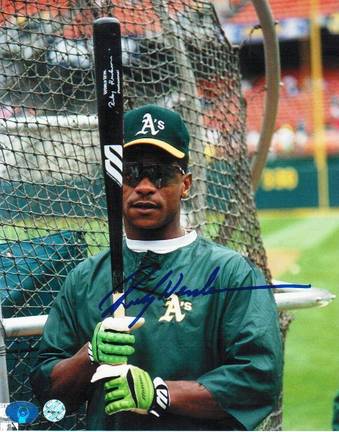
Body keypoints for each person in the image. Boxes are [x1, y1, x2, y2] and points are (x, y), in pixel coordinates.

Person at [30, 104, 282, 430]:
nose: (145, 186)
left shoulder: (232, 274)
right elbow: (49, 394)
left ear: (186, 184)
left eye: (161, 173)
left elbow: (259, 378)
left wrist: (159, 393)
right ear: (114, 182)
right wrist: (89, 356)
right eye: (131, 173)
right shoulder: (84, 279)